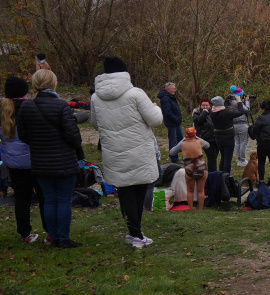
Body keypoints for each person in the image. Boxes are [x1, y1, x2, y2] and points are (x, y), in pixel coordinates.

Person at [91, 57, 163, 249]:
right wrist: (156, 107)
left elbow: (95, 124)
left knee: (124, 190)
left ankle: (133, 232)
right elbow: (155, 120)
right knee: (139, 189)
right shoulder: (135, 94)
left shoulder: (95, 97)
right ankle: (136, 233)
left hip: (114, 151)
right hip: (138, 149)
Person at [16, 70, 83, 248]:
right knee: (63, 200)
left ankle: (54, 237)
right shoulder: (61, 105)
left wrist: (40, 142)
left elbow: (23, 136)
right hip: (64, 160)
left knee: (50, 199)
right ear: (53, 83)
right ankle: (63, 237)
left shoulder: (26, 106)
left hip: (40, 160)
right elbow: (75, 137)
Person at [1, 76, 47, 244]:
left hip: (13, 162)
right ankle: (50, 230)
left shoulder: (2, 109)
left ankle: (24, 233)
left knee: (21, 198)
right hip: (35, 159)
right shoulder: (31, 107)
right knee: (44, 196)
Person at [169, 128, 209, 208]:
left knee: (190, 190)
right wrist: (196, 137)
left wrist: (184, 139)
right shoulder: (200, 142)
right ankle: (201, 208)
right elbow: (207, 145)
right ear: (195, 135)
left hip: (189, 169)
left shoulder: (182, 144)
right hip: (201, 169)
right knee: (201, 190)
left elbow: (172, 152)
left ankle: (190, 208)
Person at [249, 99, 270, 186]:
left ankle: (261, 181)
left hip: (263, 143)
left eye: (260, 108)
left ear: (263, 109)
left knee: (261, 162)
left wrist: (251, 129)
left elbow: (255, 132)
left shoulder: (260, 118)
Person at [210, 95, 242, 172]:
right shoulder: (226, 113)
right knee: (228, 158)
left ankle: (221, 175)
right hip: (228, 136)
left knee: (223, 157)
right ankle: (226, 177)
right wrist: (239, 101)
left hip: (218, 136)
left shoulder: (212, 112)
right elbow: (240, 112)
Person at [158, 82, 183, 163]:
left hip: (176, 122)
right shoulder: (165, 98)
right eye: (173, 88)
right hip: (171, 123)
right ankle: (174, 158)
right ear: (168, 89)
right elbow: (167, 111)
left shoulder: (170, 96)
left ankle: (185, 156)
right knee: (173, 141)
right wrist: (175, 118)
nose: (175, 90)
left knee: (181, 140)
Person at [191, 97, 218, 168]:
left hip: (215, 137)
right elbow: (198, 121)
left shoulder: (213, 112)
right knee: (211, 157)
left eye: (207, 105)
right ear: (200, 106)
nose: (205, 107)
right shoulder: (197, 113)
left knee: (215, 156)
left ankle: (212, 172)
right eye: (203, 105)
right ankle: (212, 174)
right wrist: (204, 113)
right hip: (206, 138)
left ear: (210, 105)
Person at [229, 86, 252, 166]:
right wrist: (247, 101)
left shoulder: (231, 102)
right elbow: (247, 109)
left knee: (237, 142)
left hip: (234, 124)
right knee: (243, 143)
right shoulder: (238, 103)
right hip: (241, 124)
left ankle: (239, 159)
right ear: (240, 95)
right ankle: (242, 160)